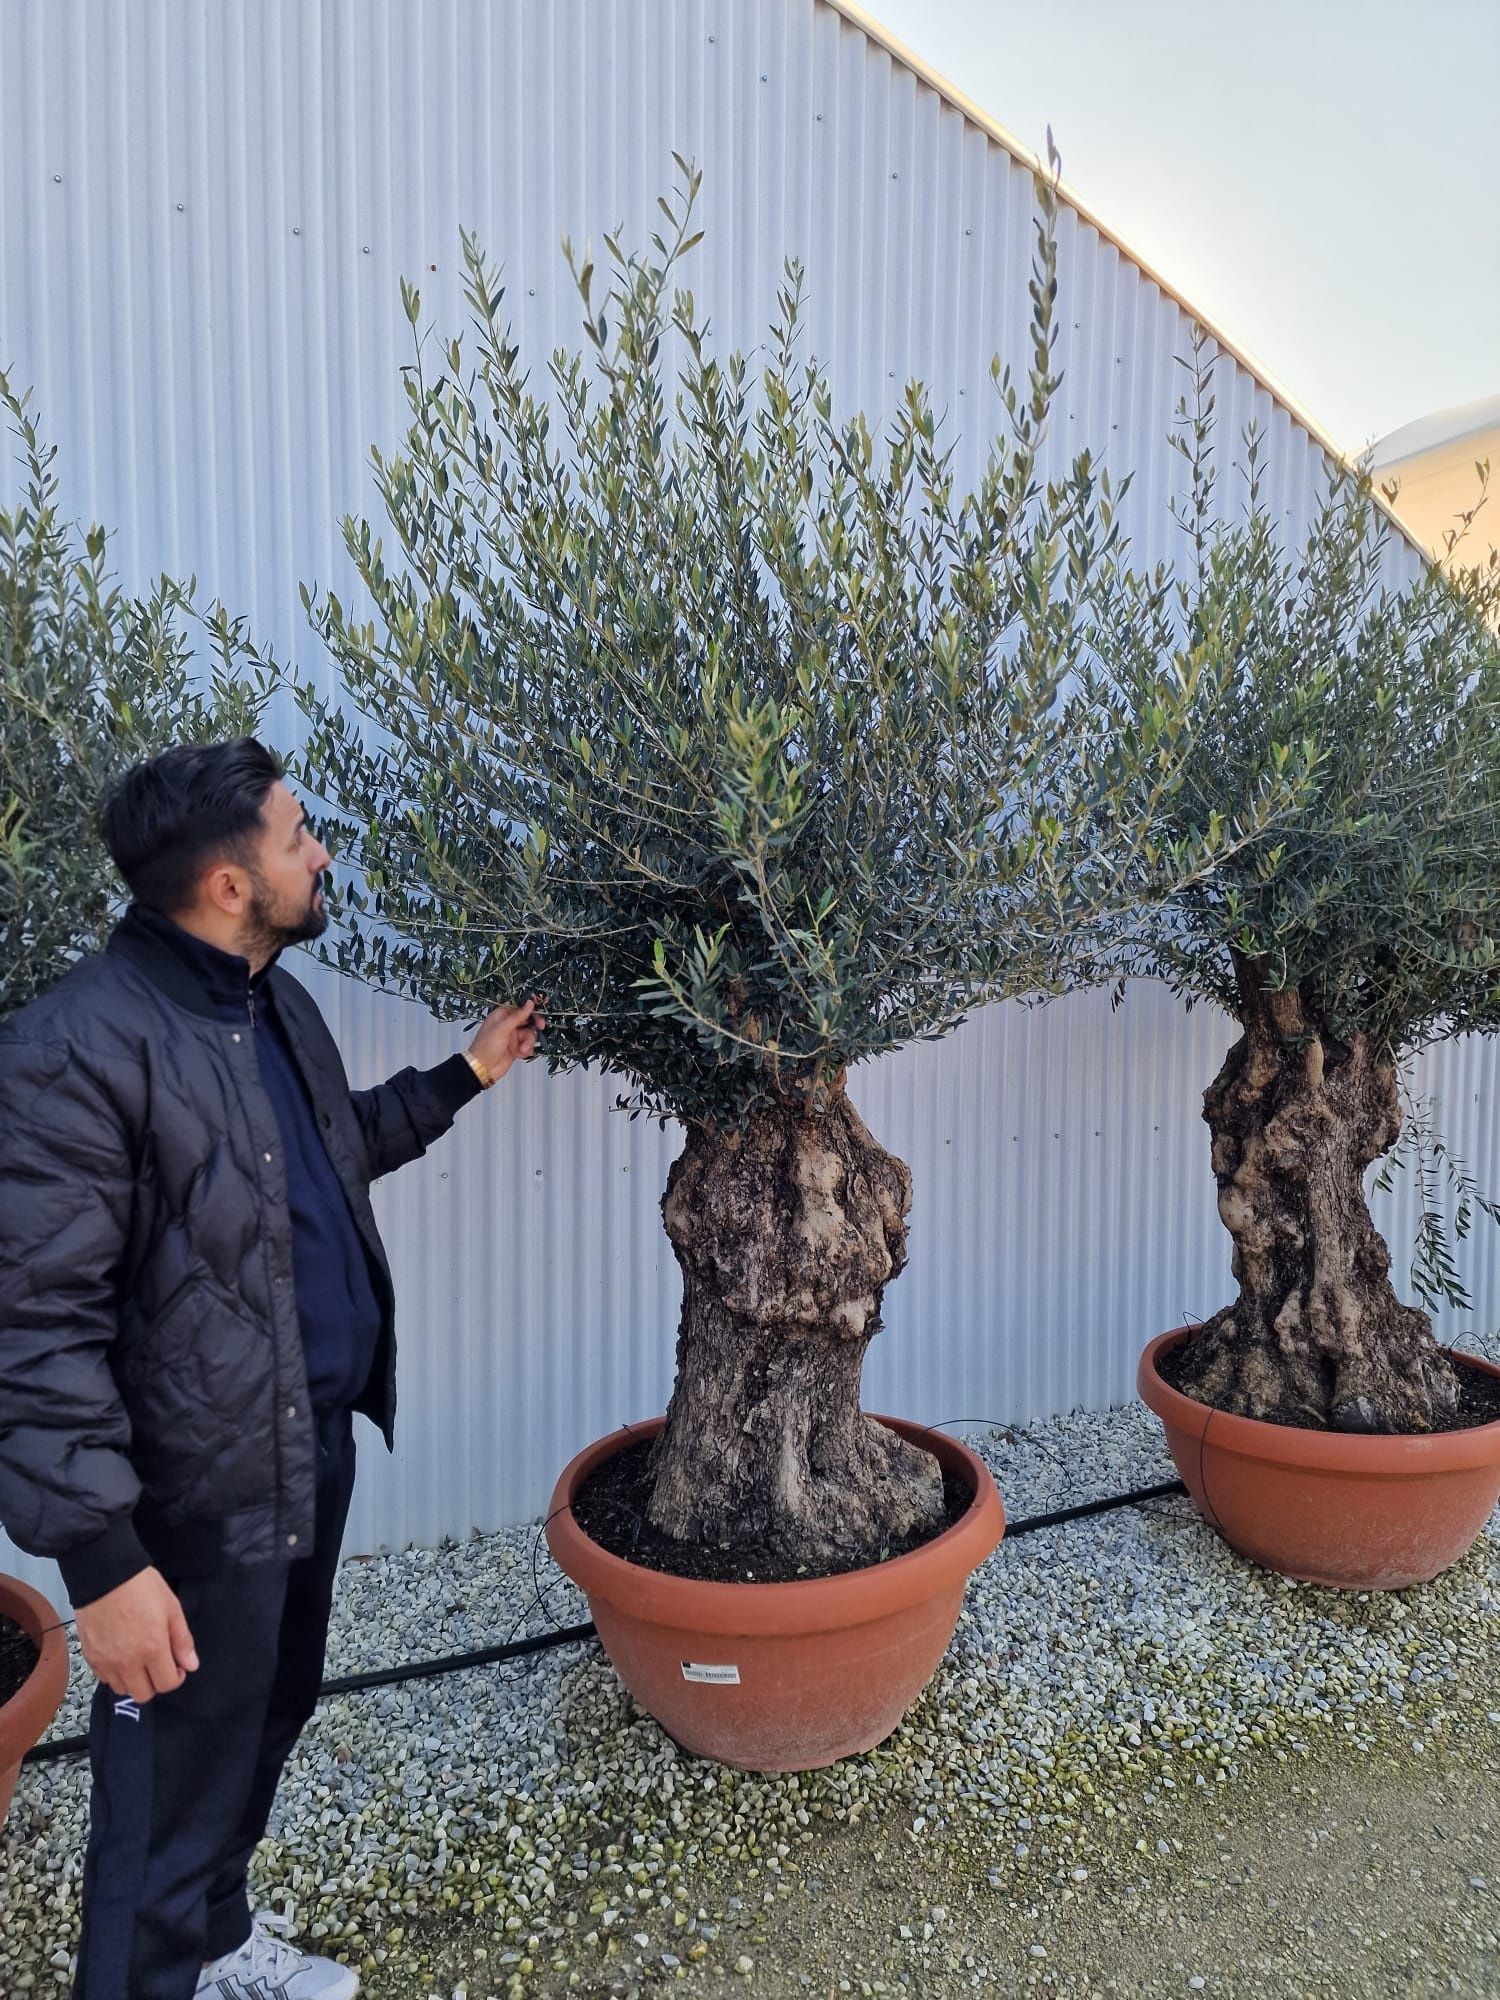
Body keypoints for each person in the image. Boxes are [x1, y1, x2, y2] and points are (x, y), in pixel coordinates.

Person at [0, 738, 545, 2000]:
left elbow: (322, 1154)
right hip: (191, 1502)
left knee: (267, 1716)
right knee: (168, 1787)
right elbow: (34, 1330)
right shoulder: (71, 1049)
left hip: (309, 1448)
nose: (321, 855)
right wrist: (103, 1561)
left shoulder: (272, 1004)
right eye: (299, 835)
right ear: (230, 882)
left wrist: (463, 1075)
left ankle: (219, 1941)